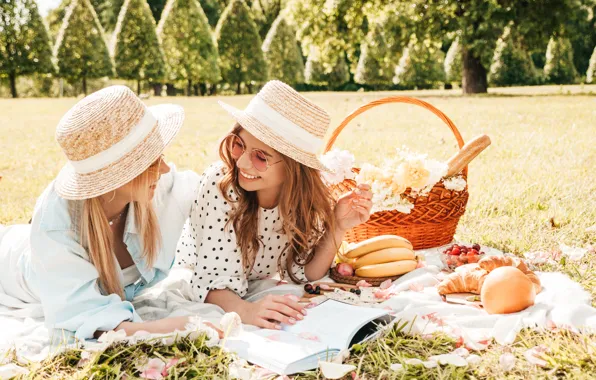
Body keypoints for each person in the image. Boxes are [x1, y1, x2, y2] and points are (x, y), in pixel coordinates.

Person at [0, 85, 204, 341]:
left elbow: (214, 191)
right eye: (151, 162)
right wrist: (176, 326)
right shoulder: (56, 227)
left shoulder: (162, 187)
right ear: (117, 176)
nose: (164, 169)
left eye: (160, 156)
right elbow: (86, 317)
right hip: (10, 263)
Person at [177, 80, 373, 329]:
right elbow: (210, 283)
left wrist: (338, 226)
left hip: (251, 281)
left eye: (260, 157)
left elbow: (305, 272)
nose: (242, 164)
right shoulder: (220, 185)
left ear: (294, 167)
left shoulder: (304, 199)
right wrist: (246, 310)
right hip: (199, 275)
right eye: (239, 145)